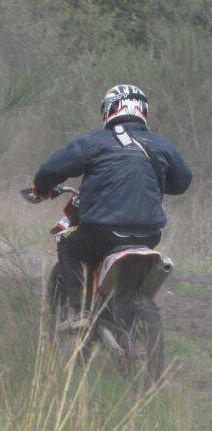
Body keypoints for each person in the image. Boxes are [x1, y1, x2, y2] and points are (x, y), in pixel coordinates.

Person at [33, 84, 192, 328]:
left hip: (102, 233)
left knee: (68, 245)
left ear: (110, 109)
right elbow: (182, 182)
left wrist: (41, 187)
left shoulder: (94, 142)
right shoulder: (161, 145)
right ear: (143, 111)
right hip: (148, 236)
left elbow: (52, 169)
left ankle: (78, 312)